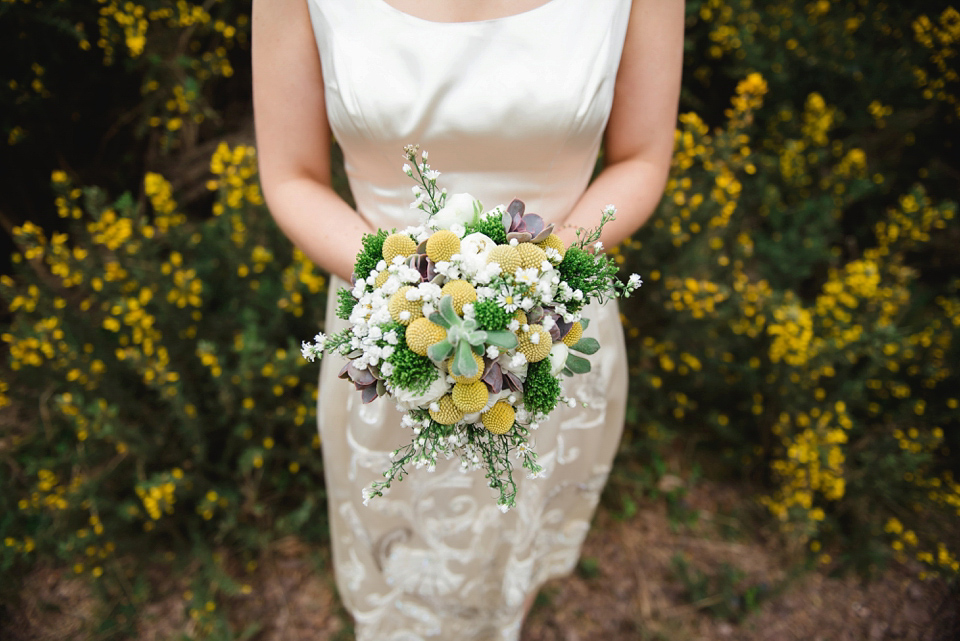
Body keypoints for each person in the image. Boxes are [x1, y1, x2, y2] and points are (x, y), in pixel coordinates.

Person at [252, 0, 683, 638]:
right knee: (403, 576)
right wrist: (401, 300)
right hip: (387, 341)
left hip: (549, 336)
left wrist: (536, 282)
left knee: (512, 562)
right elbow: (291, 175)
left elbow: (642, 157)